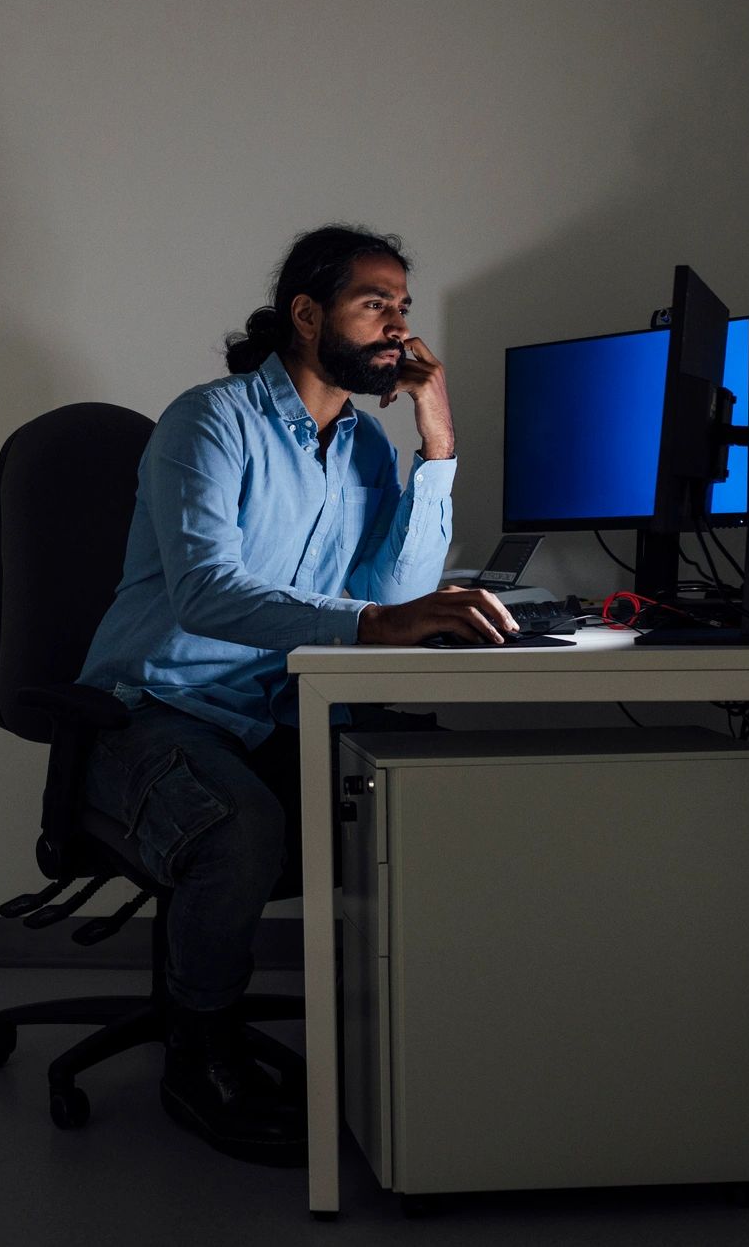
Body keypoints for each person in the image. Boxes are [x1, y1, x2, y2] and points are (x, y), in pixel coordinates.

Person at [77, 224, 518, 1164]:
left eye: (404, 308)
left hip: (272, 713)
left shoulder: (361, 449)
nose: (399, 329)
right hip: (150, 715)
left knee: (412, 784)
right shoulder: (211, 420)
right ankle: (198, 1059)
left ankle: (422, 1055)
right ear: (307, 315)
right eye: (376, 305)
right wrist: (372, 625)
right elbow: (206, 591)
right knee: (239, 828)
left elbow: (394, 600)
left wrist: (436, 442)